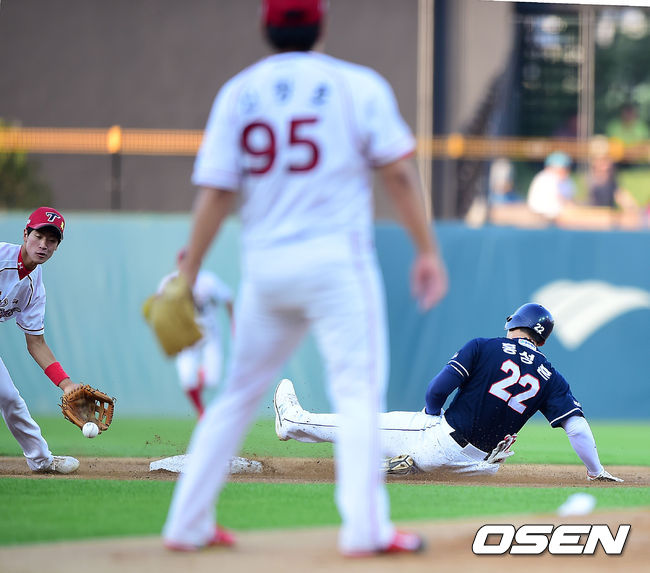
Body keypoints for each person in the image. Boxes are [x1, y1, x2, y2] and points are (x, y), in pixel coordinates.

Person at [162, 0, 448, 557]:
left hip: (266, 269)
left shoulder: (238, 93)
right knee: (358, 392)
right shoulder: (356, 85)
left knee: (237, 395)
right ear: (322, 24)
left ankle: (186, 523)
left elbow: (217, 193)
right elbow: (397, 174)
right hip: (338, 265)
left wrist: (189, 269)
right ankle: (365, 529)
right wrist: (427, 251)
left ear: (265, 26)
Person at [273, 303, 623, 483]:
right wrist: (596, 471)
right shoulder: (551, 376)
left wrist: (429, 417)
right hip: (483, 466)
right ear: (541, 339)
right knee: (429, 451)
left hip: (443, 442)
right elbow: (576, 427)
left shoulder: (485, 346)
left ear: (514, 324)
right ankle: (409, 465)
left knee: (368, 425)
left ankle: (292, 422)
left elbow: (438, 388)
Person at [0, 207, 82, 474]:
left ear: (57, 247)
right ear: (25, 234)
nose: (44, 245)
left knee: (9, 397)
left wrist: (66, 384)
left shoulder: (35, 286)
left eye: (52, 240)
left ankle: (41, 460)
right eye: (38, 236)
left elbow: (36, 343)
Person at [157, 250, 234, 417]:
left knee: (212, 380)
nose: (187, 267)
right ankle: (201, 412)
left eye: (191, 263)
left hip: (209, 333)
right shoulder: (170, 282)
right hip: (186, 336)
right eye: (183, 263)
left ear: (198, 264)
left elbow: (227, 297)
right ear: (178, 265)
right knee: (186, 379)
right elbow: (159, 307)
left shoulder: (208, 281)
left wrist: (233, 323)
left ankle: (202, 379)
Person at [526, 151, 576, 222]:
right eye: (564, 168)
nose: (566, 171)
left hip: (554, 215)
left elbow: (569, 201)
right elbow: (562, 202)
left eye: (567, 168)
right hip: (543, 216)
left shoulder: (565, 180)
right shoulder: (546, 178)